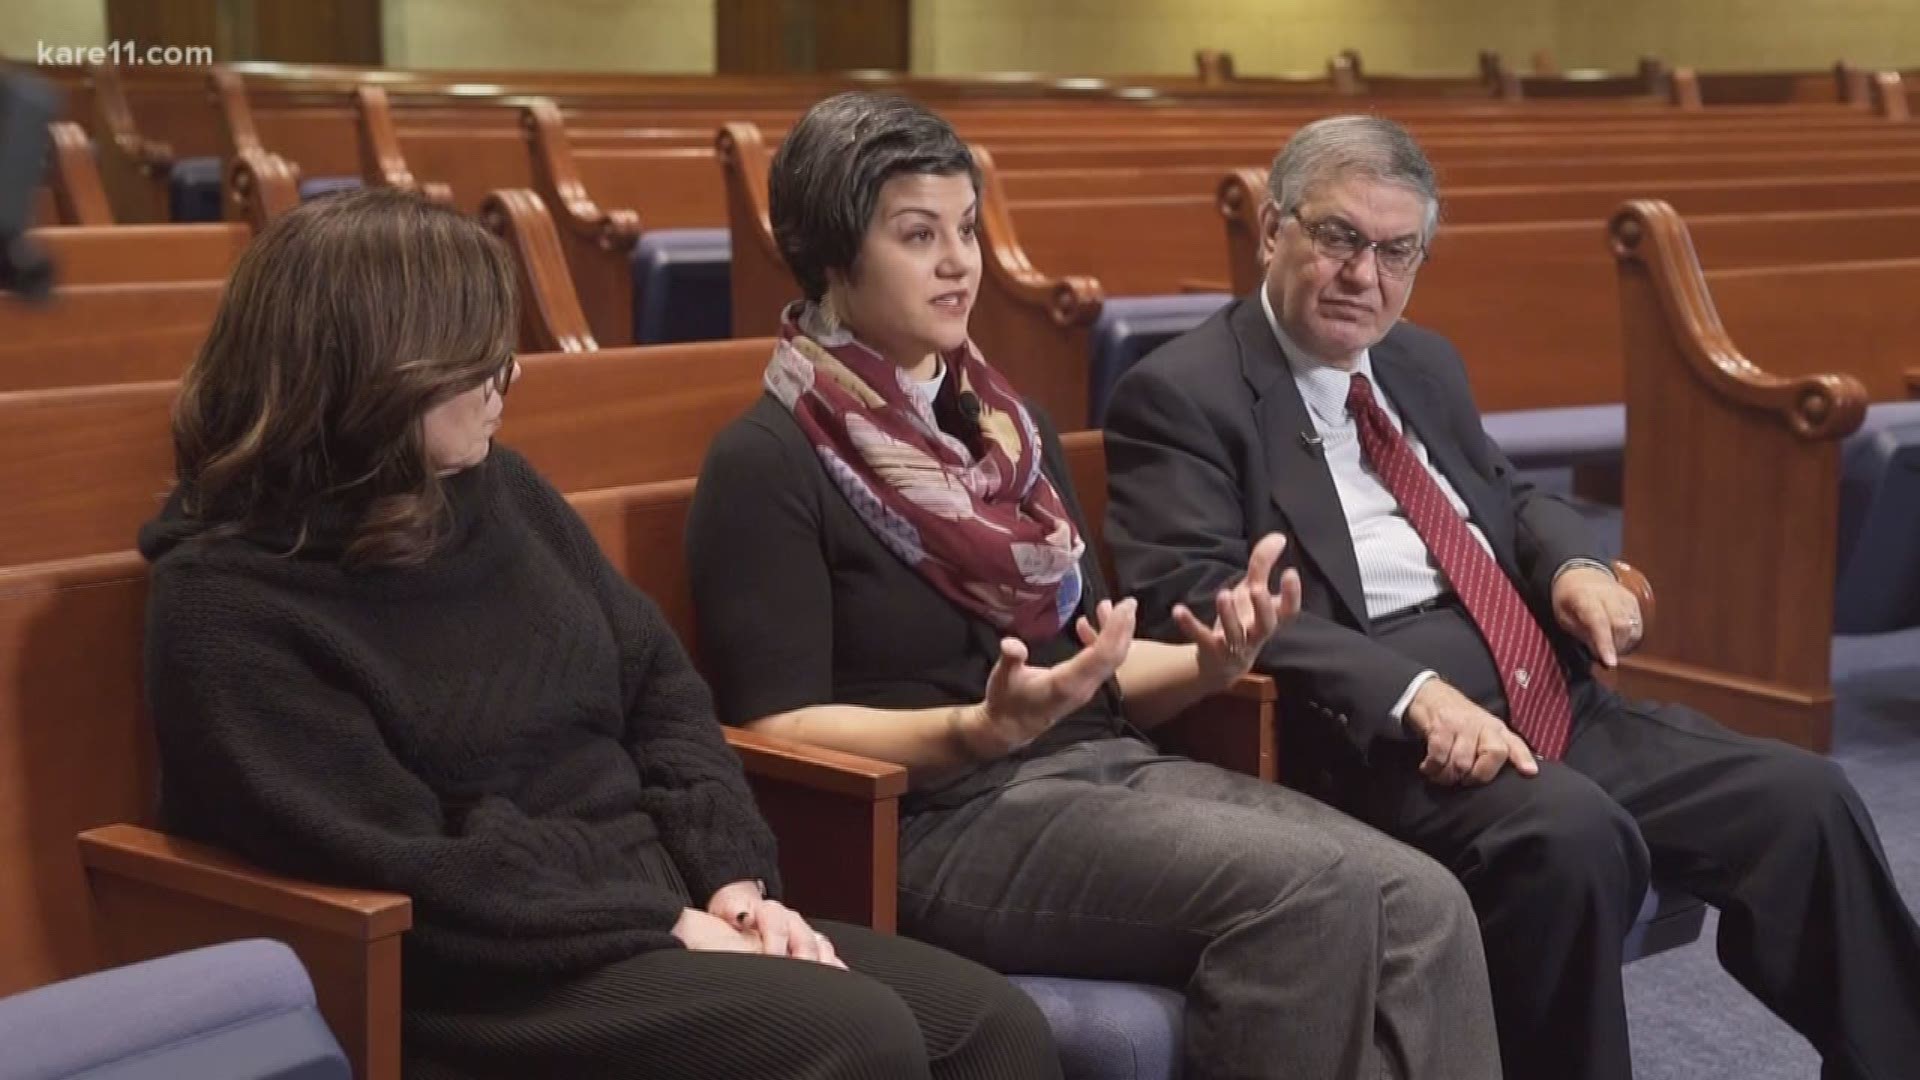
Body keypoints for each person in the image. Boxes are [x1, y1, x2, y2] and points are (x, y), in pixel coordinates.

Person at [139, 187, 1061, 1080]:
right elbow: (397, 860)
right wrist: (657, 925)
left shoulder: (499, 490)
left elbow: (661, 692)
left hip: (652, 908)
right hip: (487, 976)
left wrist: (734, 883)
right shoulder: (227, 603)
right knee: (851, 1038)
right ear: (374, 374)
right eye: (479, 359)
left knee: (993, 1030)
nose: (513, 377)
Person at [687, 91, 1503, 1080]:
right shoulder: (767, 460)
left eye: (966, 229)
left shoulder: (1006, 431)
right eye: (917, 235)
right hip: (939, 816)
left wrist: (1209, 661)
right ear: (830, 258)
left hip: (1102, 770)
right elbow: (773, 729)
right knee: (1313, 891)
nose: (959, 261)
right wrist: (971, 731)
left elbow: (1088, 679)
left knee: (1424, 904)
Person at [1102, 114, 1920, 1080]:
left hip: (1546, 695)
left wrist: (1575, 567)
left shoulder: (1419, 360)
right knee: (1567, 839)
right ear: (1276, 228)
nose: (1365, 274)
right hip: (1374, 743)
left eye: (1397, 250)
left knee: (1805, 799)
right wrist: (1409, 693)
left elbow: (1508, 497)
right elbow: (1189, 601)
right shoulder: (1182, 394)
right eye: (1338, 237)